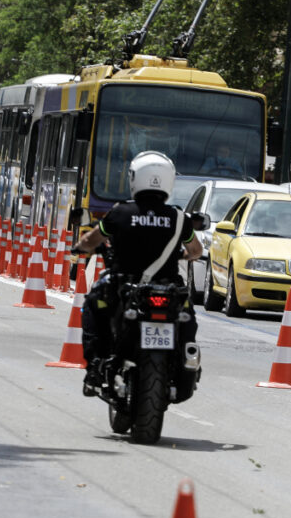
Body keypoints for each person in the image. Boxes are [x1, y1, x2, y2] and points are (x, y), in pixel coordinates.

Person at [71, 151, 202, 396]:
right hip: (168, 288)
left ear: (134, 178)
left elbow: (91, 240)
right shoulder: (179, 217)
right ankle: (188, 359)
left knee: (92, 305)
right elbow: (195, 250)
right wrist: (183, 256)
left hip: (124, 285)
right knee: (187, 316)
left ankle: (95, 366)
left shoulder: (120, 212)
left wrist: (79, 248)